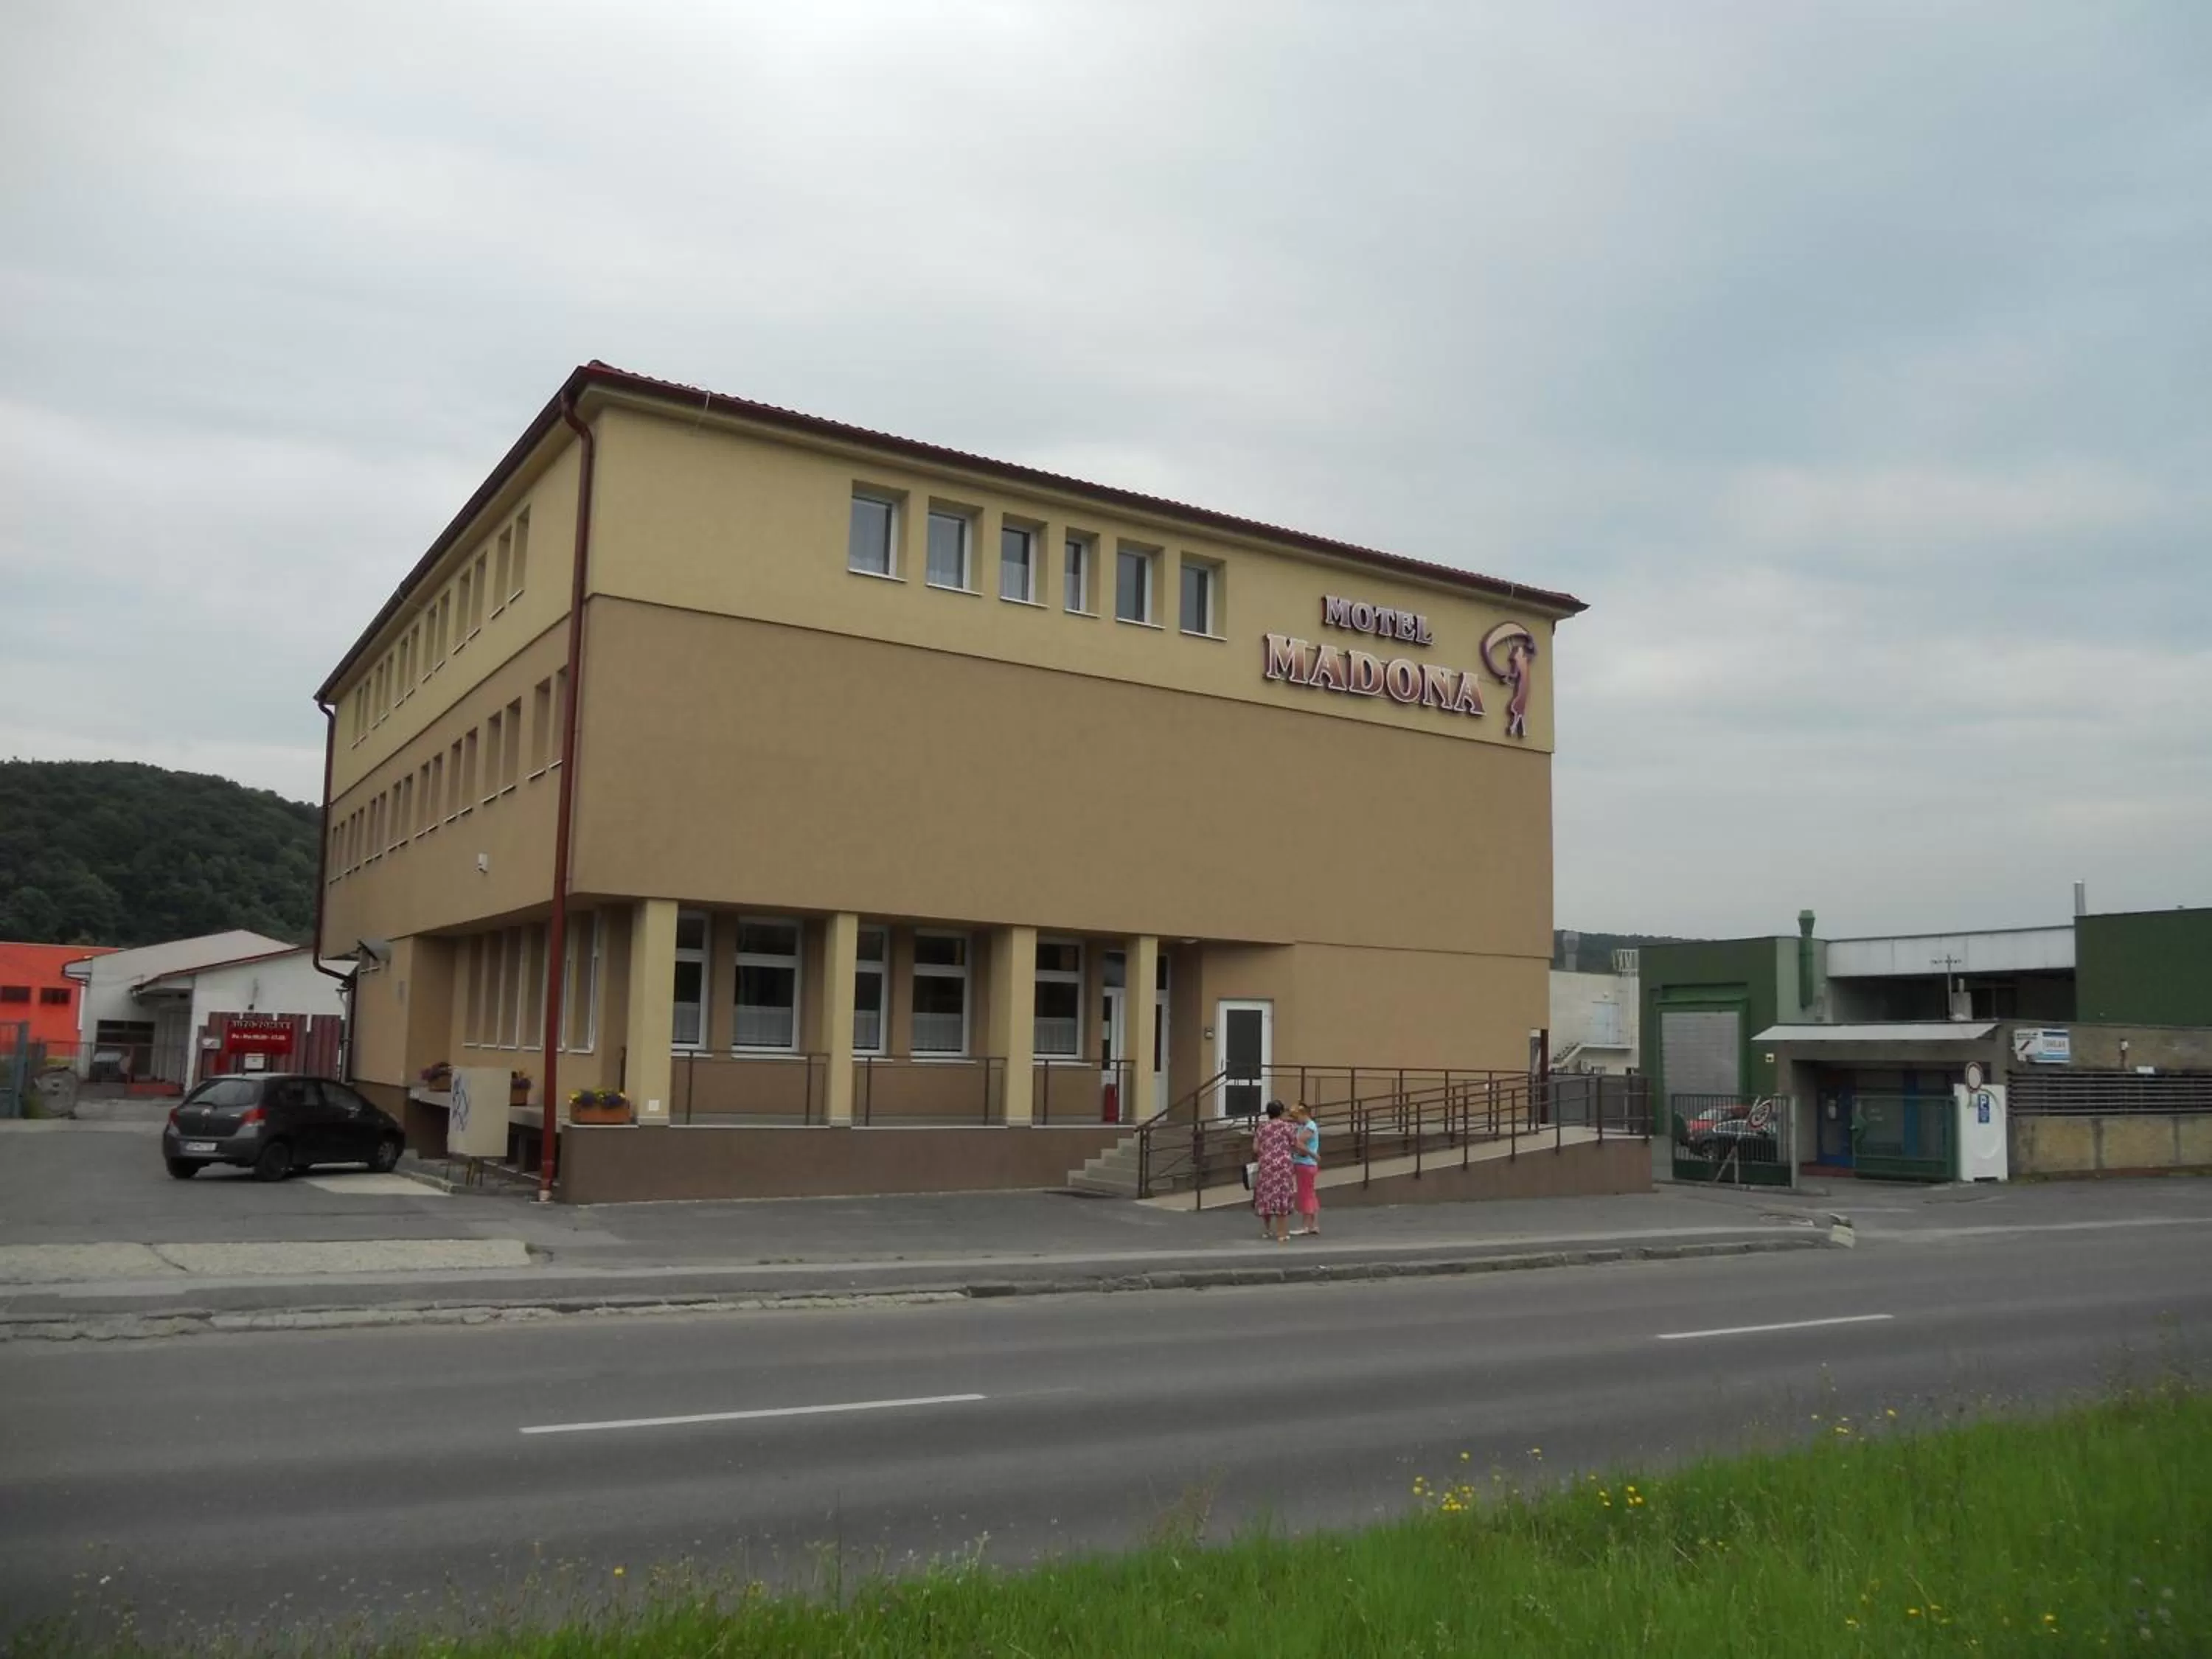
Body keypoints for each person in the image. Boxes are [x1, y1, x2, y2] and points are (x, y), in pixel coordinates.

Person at [1250, 1100, 1298, 1243]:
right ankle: (1282, 1233)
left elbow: (1255, 1148)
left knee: (1267, 1195)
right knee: (1282, 1196)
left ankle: (1267, 1229)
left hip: (1266, 1165)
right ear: (1282, 1112)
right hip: (1283, 1165)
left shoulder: (1262, 1128)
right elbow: (1294, 1143)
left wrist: (1266, 1152)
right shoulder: (1287, 1127)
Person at [1289, 1102, 1321, 1235]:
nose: (1296, 1119)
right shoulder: (1303, 1126)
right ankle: (1314, 1224)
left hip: (1305, 1163)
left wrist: (1313, 1154)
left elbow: (1298, 1143)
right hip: (1307, 1163)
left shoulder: (1309, 1126)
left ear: (1304, 1114)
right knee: (1310, 1193)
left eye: (1297, 1116)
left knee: (1305, 1195)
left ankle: (1305, 1226)